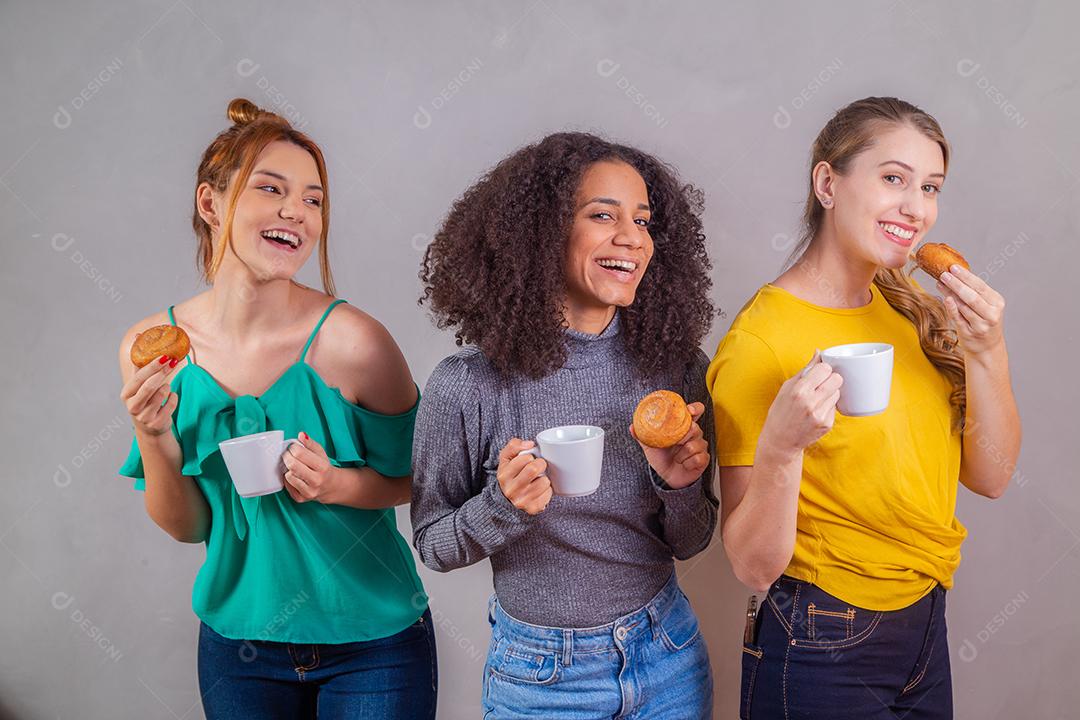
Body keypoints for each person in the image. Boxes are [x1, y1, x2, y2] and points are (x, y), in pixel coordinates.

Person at [117, 98, 436, 719]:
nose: (298, 212)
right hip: (238, 646)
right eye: (272, 189)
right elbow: (188, 527)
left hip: (375, 645)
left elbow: (418, 480)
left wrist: (337, 485)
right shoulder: (151, 350)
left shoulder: (357, 344)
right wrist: (152, 436)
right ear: (211, 204)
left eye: (314, 199)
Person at [709, 96, 1022, 719]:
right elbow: (750, 565)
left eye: (930, 187)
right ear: (828, 183)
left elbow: (991, 476)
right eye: (893, 179)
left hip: (924, 626)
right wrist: (781, 448)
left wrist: (988, 351)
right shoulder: (760, 343)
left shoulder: (911, 311)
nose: (917, 208)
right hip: (821, 640)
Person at [412, 132, 718, 718]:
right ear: (542, 232)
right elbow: (433, 545)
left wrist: (678, 487)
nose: (631, 238)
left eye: (643, 220)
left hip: (668, 656)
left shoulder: (677, 368)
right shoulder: (466, 385)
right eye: (603, 215)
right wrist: (501, 505)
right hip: (541, 679)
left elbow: (693, 541)